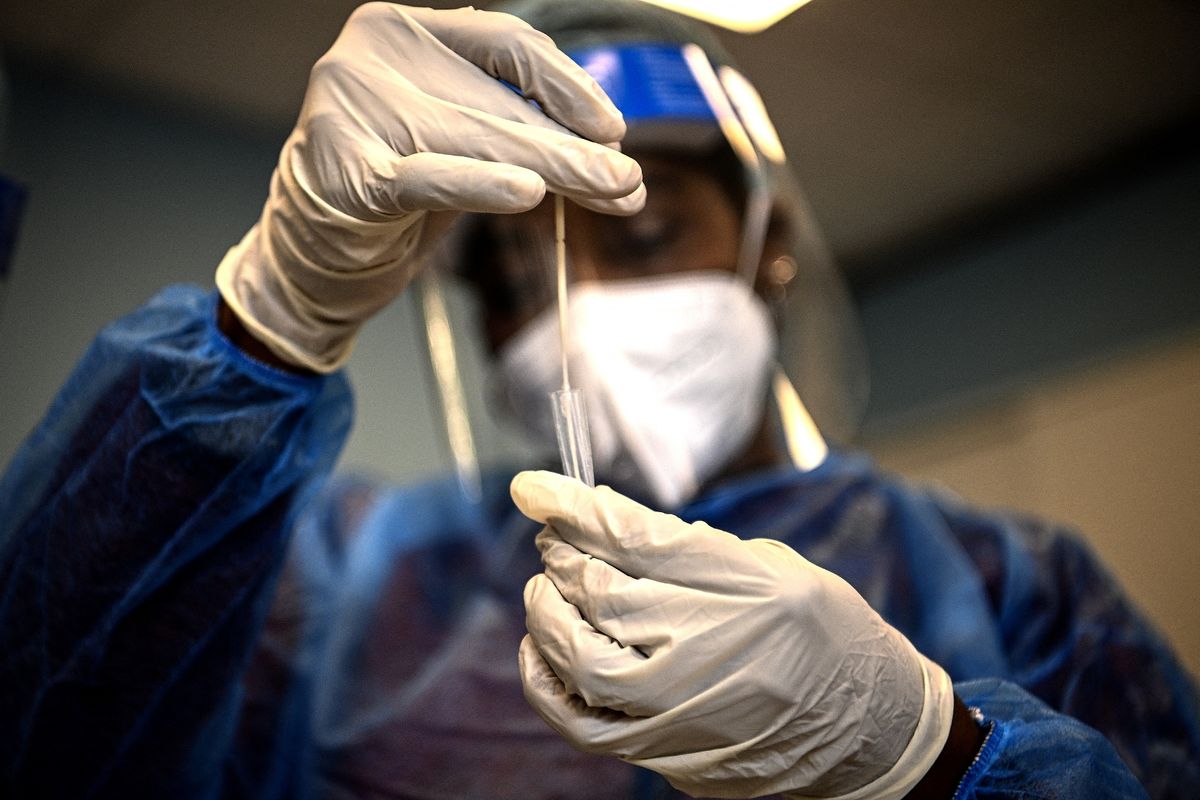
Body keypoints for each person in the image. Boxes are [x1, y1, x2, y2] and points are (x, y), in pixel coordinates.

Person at [0, 2, 1196, 798]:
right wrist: (269, 311)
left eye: (647, 230)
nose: (573, 309)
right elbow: (45, 723)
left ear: (768, 247)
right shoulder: (351, 574)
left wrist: (929, 755)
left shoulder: (1009, 584)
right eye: (514, 278)